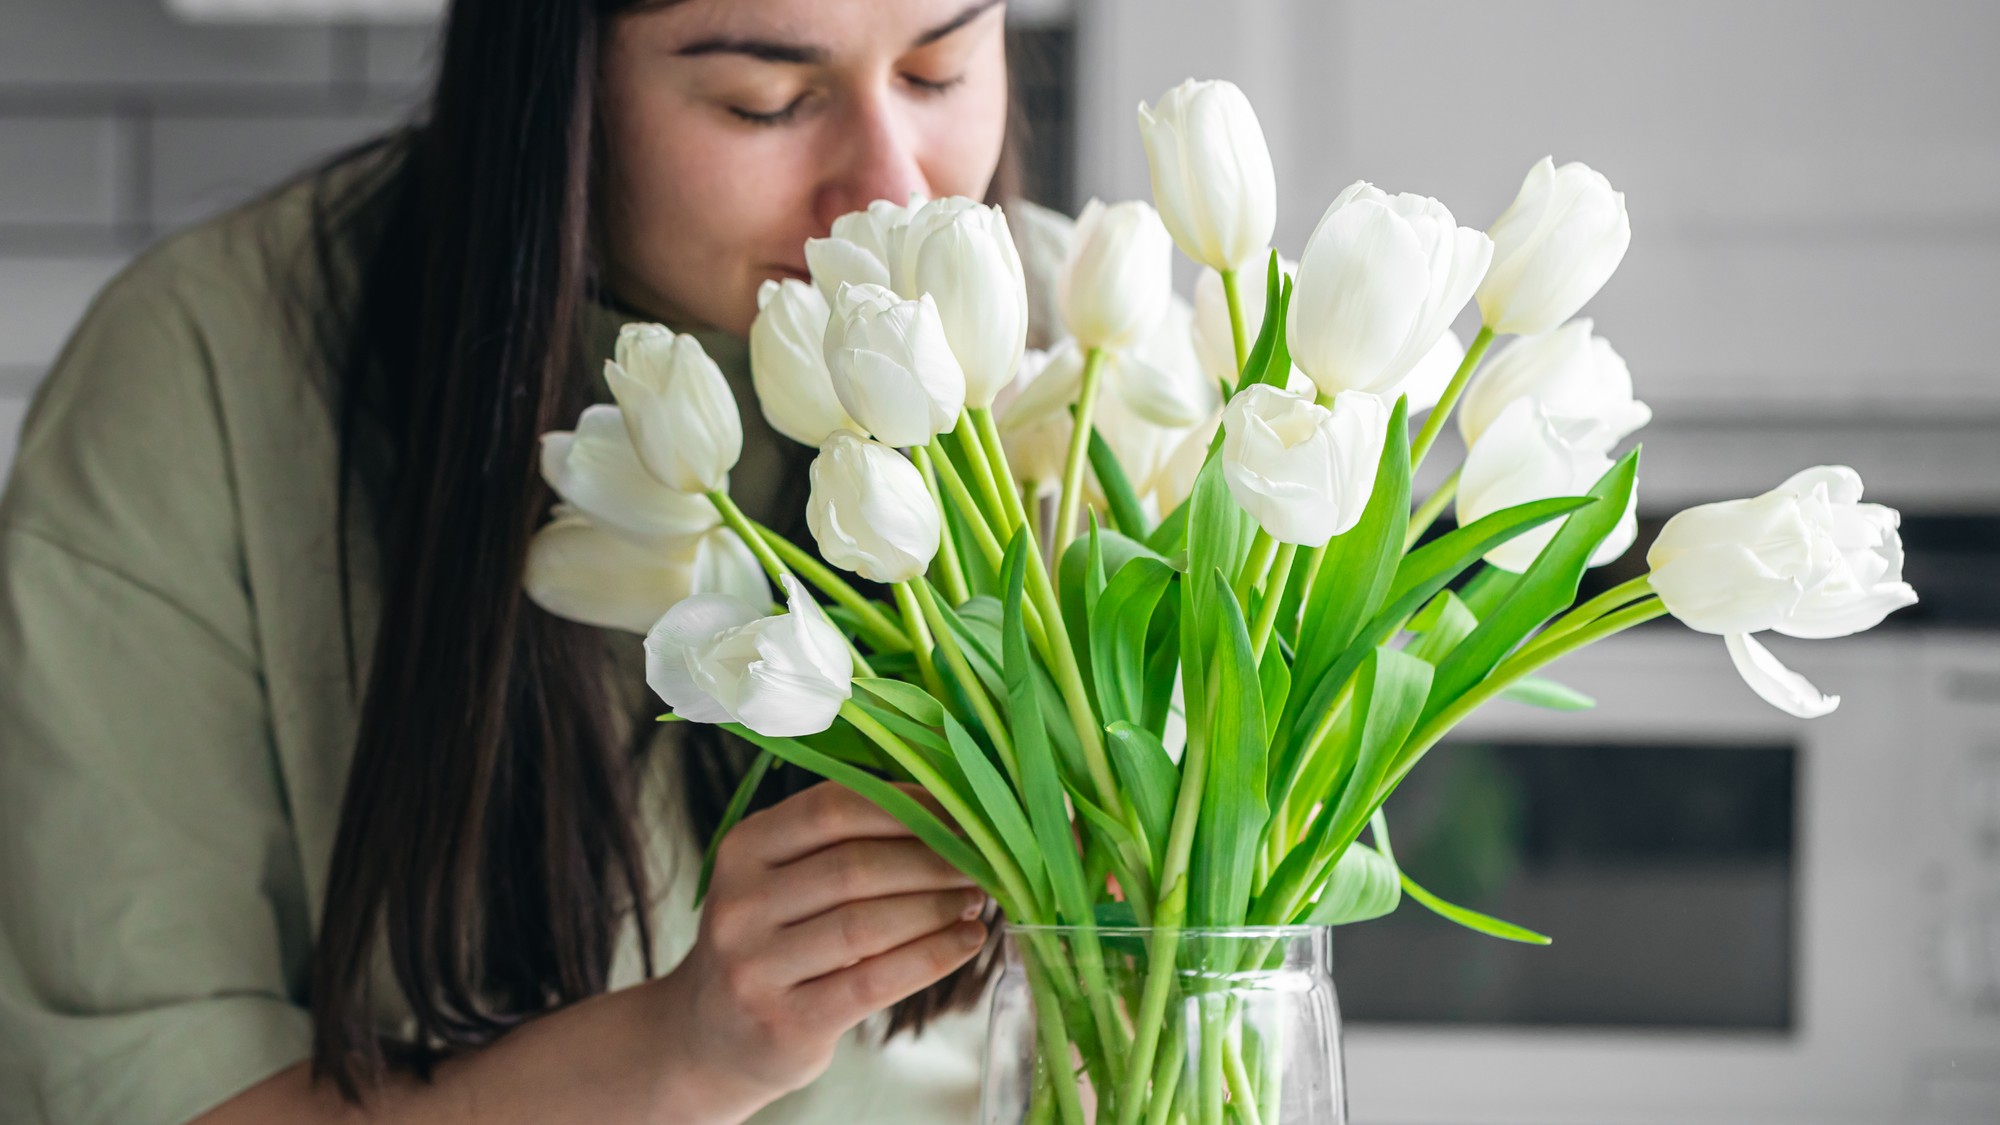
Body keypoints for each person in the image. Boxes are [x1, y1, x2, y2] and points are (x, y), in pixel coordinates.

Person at [0, 1, 1046, 1121]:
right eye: (766, 102)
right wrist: (683, 1056)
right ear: (558, 79)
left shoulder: (1053, 356)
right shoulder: (205, 375)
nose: (891, 190)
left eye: (938, 70)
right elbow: (145, 1079)